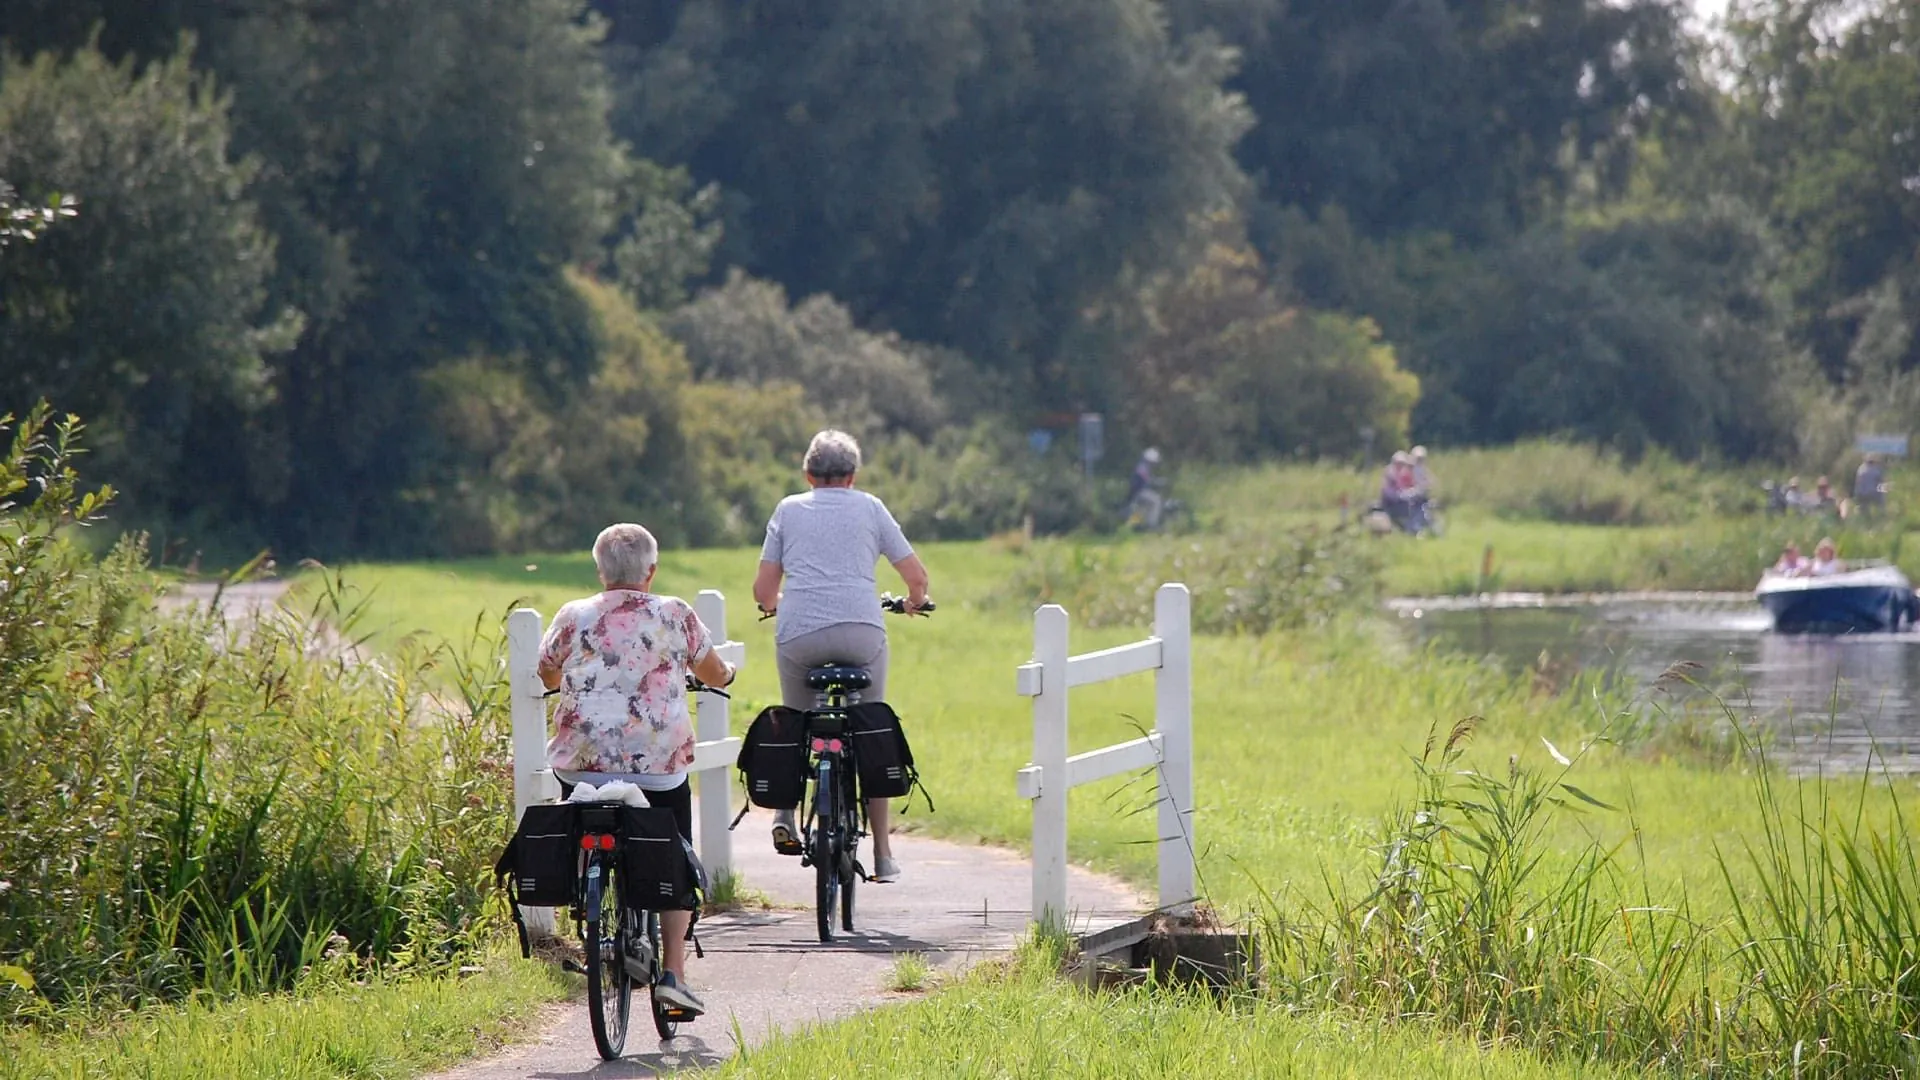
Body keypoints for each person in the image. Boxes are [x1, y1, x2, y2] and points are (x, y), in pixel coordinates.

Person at [537, 523, 736, 1017]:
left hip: (580, 766)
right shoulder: (675, 614)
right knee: (674, 856)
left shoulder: (573, 615)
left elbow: (546, 670)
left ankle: (592, 903)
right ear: (651, 570)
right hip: (656, 768)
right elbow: (712, 672)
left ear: (599, 570)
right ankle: (673, 972)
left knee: (583, 817)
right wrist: (727, 674)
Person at [753, 430, 930, 884]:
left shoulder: (788, 510)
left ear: (807, 474)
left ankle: (784, 815)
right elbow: (916, 576)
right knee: (870, 725)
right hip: (861, 634)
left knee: (794, 718)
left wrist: (773, 605)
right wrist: (913, 600)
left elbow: (763, 590)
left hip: (800, 636)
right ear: (852, 477)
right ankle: (885, 854)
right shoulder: (870, 507)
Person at [1128, 447, 1165, 529]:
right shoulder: (1143, 467)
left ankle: (1134, 525)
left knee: (1142, 508)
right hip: (1140, 492)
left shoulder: (1142, 466)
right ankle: (1151, 525)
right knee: (1156, 500)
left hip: (1137, 492)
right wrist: (1159, 482)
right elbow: (1148, 480)